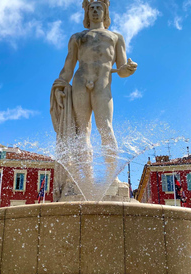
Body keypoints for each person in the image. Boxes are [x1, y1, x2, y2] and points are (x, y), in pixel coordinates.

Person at [51, 0, 137, 188]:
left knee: (105, 127)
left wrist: (128, 69)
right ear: (87, 13)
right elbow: (68, 67)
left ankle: (112, 178)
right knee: (82, 131)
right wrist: (59, 86)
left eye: (99, 8)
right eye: (92, 8)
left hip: (102, 84)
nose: (95, 11)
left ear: (105, 12)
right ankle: (86, 180)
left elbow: (121, 69)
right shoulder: (77, 37)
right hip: (81, 82)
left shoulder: (115, 37)